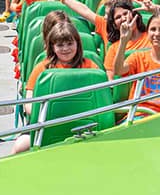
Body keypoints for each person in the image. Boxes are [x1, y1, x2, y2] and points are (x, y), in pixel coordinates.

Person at [12, 20, 100, 154]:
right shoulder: (43, 68)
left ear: (78, 43)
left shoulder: (91, 66)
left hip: (83, 122)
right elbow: (29, 101)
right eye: (60, 45)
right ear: (52, 47)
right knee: (19, 146)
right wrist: (39, 114)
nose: (66, 49)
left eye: (70, 43)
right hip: (46, 122)